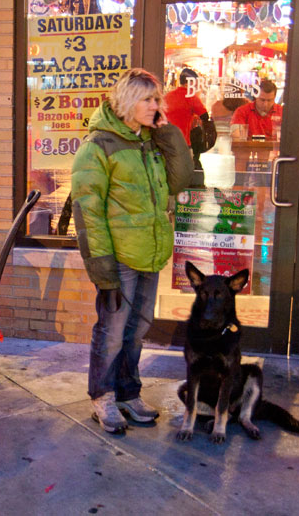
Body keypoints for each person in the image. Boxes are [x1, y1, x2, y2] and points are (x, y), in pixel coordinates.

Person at [71, 68, 190, 434]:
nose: (156, 106)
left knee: (136, 331)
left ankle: (127, 392)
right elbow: (88, 212)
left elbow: (181, 180)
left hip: (149, 254)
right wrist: (102, 269)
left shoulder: (152, 141)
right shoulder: (98, 147)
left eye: (158, 99)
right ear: (126, 102)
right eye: (148, 100)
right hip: (118, 259)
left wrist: (168, 132)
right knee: (112, 330)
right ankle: (103, 397)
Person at [163, 67, 210, 146]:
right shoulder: (191, 97)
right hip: (182, 141)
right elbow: (205, 116)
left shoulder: (168, 96)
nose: (196, 86)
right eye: (195, 83)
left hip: (165, 140)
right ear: (189, 83)